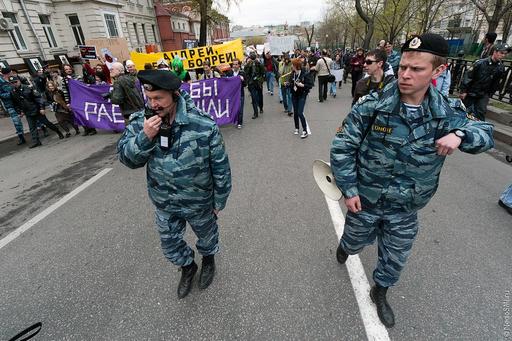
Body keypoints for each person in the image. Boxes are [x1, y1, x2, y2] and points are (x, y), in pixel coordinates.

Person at [330, 33, 494, 328]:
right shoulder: (373, 104)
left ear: (438, 71)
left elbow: (485, 135)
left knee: (395, 258)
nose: (405, 74)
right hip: (364, 201)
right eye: (404, 66)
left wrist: (460, 134)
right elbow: (343, 146)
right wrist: (349, 188)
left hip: (406, 207)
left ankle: (380, 291)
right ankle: (347, 246)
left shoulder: (448, 112)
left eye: (416, 69)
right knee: (354, 243)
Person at [117, 70, 232, 299]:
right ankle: (188, 267)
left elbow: (220, 166)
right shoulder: (142, 122)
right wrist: (145, 137)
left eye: (158, 98)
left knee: (207, 238)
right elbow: (127, 159)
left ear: (175, 94)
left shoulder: (202, 124)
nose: (153, 104)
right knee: (169, 245)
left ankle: (208, 260)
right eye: (149, 98)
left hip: (199, 201)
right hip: (164, 201)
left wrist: (219, 200)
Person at [10, 76, 64, 147]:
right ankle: (36, 141)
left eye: (15, 82)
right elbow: (15, 104)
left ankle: (58, 132)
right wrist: (20, 111)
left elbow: (39, 98)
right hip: (27, 112)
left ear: (19, 81)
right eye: (12, 83)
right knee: (32, 128)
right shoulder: (13, 92)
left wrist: (42, 108)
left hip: (37, 110)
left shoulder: (28, 88)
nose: (14, 84)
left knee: (47, 123)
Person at [459, 43, 509, 121]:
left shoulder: (500, 68)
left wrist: (489, 94)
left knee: (480, 112)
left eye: (505, 54)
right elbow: (469, 76)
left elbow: (496, 82)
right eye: (501, 53)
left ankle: (478, 129)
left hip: (483, 94)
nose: (503, 55)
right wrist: (464, 91)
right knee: (463, 110)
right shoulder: (480, 63)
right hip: (471, 92)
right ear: (495, 52)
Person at [287, 58, 313, 139]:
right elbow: (291, 83)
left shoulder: (305, 74)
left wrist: (303, 85)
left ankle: (305, 130)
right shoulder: (293, 74)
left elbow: (310, 85)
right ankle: (297, 128)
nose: (292, 66)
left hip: (302, 95)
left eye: (293, 65)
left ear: (296, 66)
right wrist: (288, 84)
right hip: (294, 95)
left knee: (300, 112)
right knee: (295, 112)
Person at [0, 67, 25, 145]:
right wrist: (11, 94)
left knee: (32, 115)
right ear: (6, 74)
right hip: (10, 105)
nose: (12, 73)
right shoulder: (0, 82)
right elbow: (1, 94)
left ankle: (42, 128)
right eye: (10, 72)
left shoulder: (14, 77)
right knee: (16, 121)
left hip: (21, 102)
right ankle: (21, 137)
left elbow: (22, 86)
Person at [245, 52, 265, 119]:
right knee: (253, 98)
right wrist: (248, 81)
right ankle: (255, 113)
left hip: (258, 83)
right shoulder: (248, 64)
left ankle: (261, 107)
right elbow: (246, 73)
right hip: (251, 83)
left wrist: (260, 80)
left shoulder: (259, 64)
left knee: (260, 96)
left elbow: (263, 73)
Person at [229, 58, 246, 128]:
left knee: (240, 108)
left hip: (240, 94)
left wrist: (242, 80)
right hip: (232, 94)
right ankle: (235, 119)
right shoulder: (230, 73)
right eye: (233, 64)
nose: (235, 66)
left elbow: (245, 84)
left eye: (236, 64)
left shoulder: (242, 73)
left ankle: (240, 122)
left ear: (239, 65)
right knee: (233, 108)